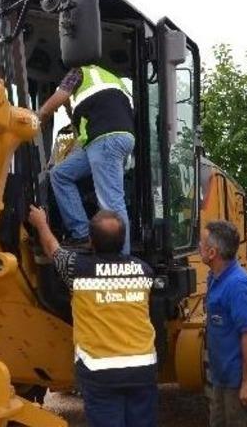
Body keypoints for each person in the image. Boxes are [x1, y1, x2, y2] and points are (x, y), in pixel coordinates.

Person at [27, 206, 157, 427]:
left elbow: (51, 248)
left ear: (91, 241)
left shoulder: (76, 269)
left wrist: (41, 223)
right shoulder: (144, 271)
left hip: (100, 373)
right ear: (123, 239)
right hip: (142, 369)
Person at [37, 64, 135, 254]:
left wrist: (38, 117)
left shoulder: (78, 72)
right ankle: (82, 234)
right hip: (107, 139)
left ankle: (121, 262)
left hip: (105, 139)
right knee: (60, 174)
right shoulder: (108, 79)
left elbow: (57, 99)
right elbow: (77, 126)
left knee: (111, 203)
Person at [202, 220, 247, 427]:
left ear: (212, 252)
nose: (197, 248)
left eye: (201, 244)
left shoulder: (238, 286)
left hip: (236, 383)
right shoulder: (214, 278)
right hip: (221, 379)